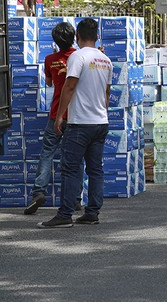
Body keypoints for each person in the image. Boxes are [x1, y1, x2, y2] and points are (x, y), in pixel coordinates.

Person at [38, 18, 113, 228]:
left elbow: (69, 87)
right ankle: (92, 212)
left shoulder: (78, 57)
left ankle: (65, 215)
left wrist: (60, 115)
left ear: (77, 37)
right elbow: (107, 94)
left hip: (80, 122)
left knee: (71, 169)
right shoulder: (105, 60)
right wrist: (100, 113)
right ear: (96, 36)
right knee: (95, 169)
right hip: (100, 122)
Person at [24, 22, 84, 215]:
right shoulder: (80, 57)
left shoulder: (50, 59)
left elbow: (49, 84)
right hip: (76, 115)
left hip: (56, 114)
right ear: (74, 36)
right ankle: (75, 199)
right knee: (75, 157)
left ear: (55, 41)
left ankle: (38, 192)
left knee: (47, 153)